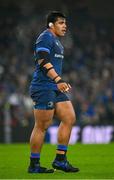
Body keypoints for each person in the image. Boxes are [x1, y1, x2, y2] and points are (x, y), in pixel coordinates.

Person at [28, 11, 79, 173]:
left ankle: (60, 160)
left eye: (65, 23)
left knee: (69, 118)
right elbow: (42, 59)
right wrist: (58, 80)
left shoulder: (56, 41)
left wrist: (57, 82)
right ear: (51, 24)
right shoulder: (46, 37)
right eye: (61, 23)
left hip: (53, 86)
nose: (65, 26)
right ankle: (34, 165)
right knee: (42, 126)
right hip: (43, 86)